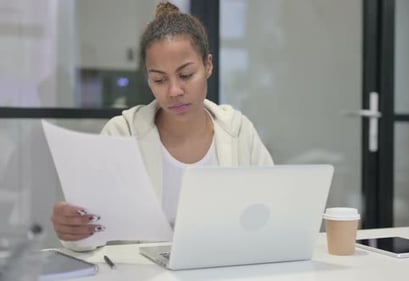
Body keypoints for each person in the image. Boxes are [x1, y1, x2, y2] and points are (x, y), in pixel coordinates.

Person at [51, 1, 273, 251]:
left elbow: (273, 216)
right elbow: (89, 236)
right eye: (158, 79)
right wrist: (73, 229)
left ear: (208, 65)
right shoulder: (123, 133)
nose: (174, 91)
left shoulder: (238, 132)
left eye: (186, 75)